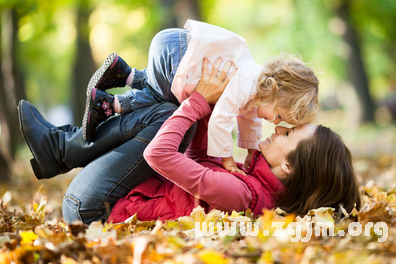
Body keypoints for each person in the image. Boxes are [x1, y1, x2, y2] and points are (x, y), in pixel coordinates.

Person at [18, 57, 359, 225]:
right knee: (171, 109)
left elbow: (159, 156)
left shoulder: (242, 194)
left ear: (288, 165)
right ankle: (60, 149)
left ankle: (61, 149)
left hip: (92, 211)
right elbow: (196, 154)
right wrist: (222, 94)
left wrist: (196, 102)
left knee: (168, 114)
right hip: (112, 199)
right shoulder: (254, 183)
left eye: (286, 134)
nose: (277, 129)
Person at [83, 20, 319, 174]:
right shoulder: (247, 84)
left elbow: (250, 120)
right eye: (278, 115)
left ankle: (122, 72)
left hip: (175, 46)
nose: (275, 123)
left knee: (160, 82)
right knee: (162, 97)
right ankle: (108, 105)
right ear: (275, 91)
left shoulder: (257, 89)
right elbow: (221, 120)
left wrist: (249, 150)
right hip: (178, 52)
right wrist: (227, 160)